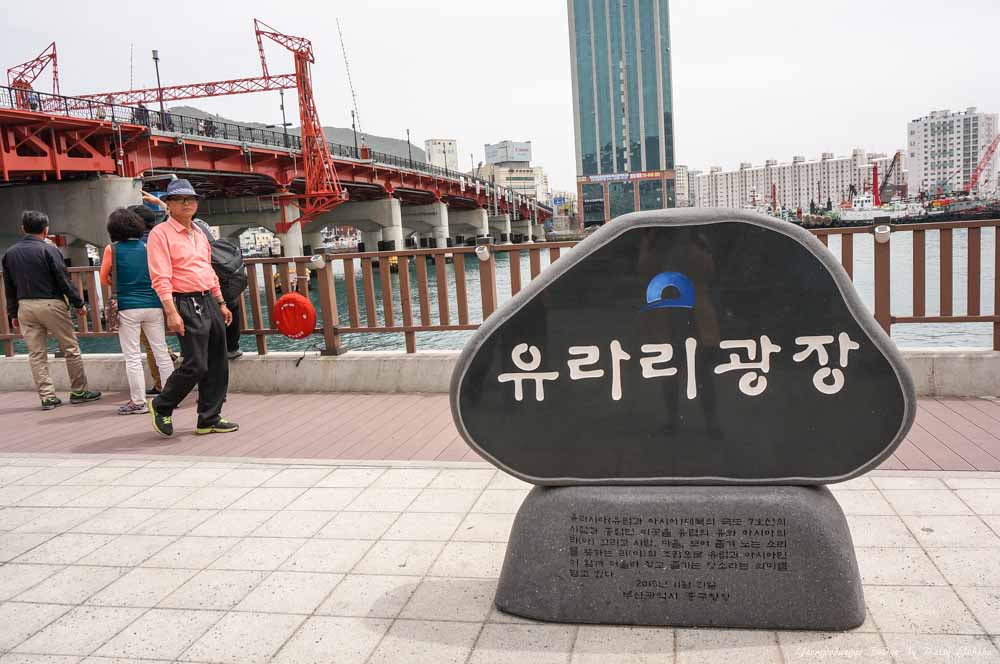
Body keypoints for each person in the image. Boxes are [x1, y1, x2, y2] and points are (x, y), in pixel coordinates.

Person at [146, 178, 238, 437]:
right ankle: (162, 405)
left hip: (208, 298)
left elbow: (208, 270)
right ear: (169, 204)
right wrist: (171, 312)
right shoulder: (160, 234)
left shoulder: (199, 233)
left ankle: (209, 418)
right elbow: (160, 276)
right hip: (184, 301)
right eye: (179, 199)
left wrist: (220, 301)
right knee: (196, 364)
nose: (186, 203)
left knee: (218, 363)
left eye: (191, 199)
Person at [1, 210, 102, 410]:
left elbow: (9, 286)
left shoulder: (10, 253)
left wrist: (13, 313)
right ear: (46, 229)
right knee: (70, 348)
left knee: (36, 354)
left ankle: (47, 397)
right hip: (51, 304)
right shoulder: (48, 250)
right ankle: (79, 391)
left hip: (25, 307)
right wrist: (78, 303)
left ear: (23, 229)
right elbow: (62, 279)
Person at [99, 209, 175, 415]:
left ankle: (138, 402)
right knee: (161, 352)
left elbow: (103, 277)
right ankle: (171, 397)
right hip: (153, 304)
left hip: (126, 306)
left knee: (132, 356)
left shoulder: (111, 250)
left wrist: (118, 285)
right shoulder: (148, 247)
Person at [126, 202, 177, 395]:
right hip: (166, 295)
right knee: (161, 343)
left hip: (136, 300)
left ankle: (160, 385)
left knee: (149, 345)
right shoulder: (161, 238)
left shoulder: (124, 247)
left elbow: (107, 277)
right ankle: (173, 384)